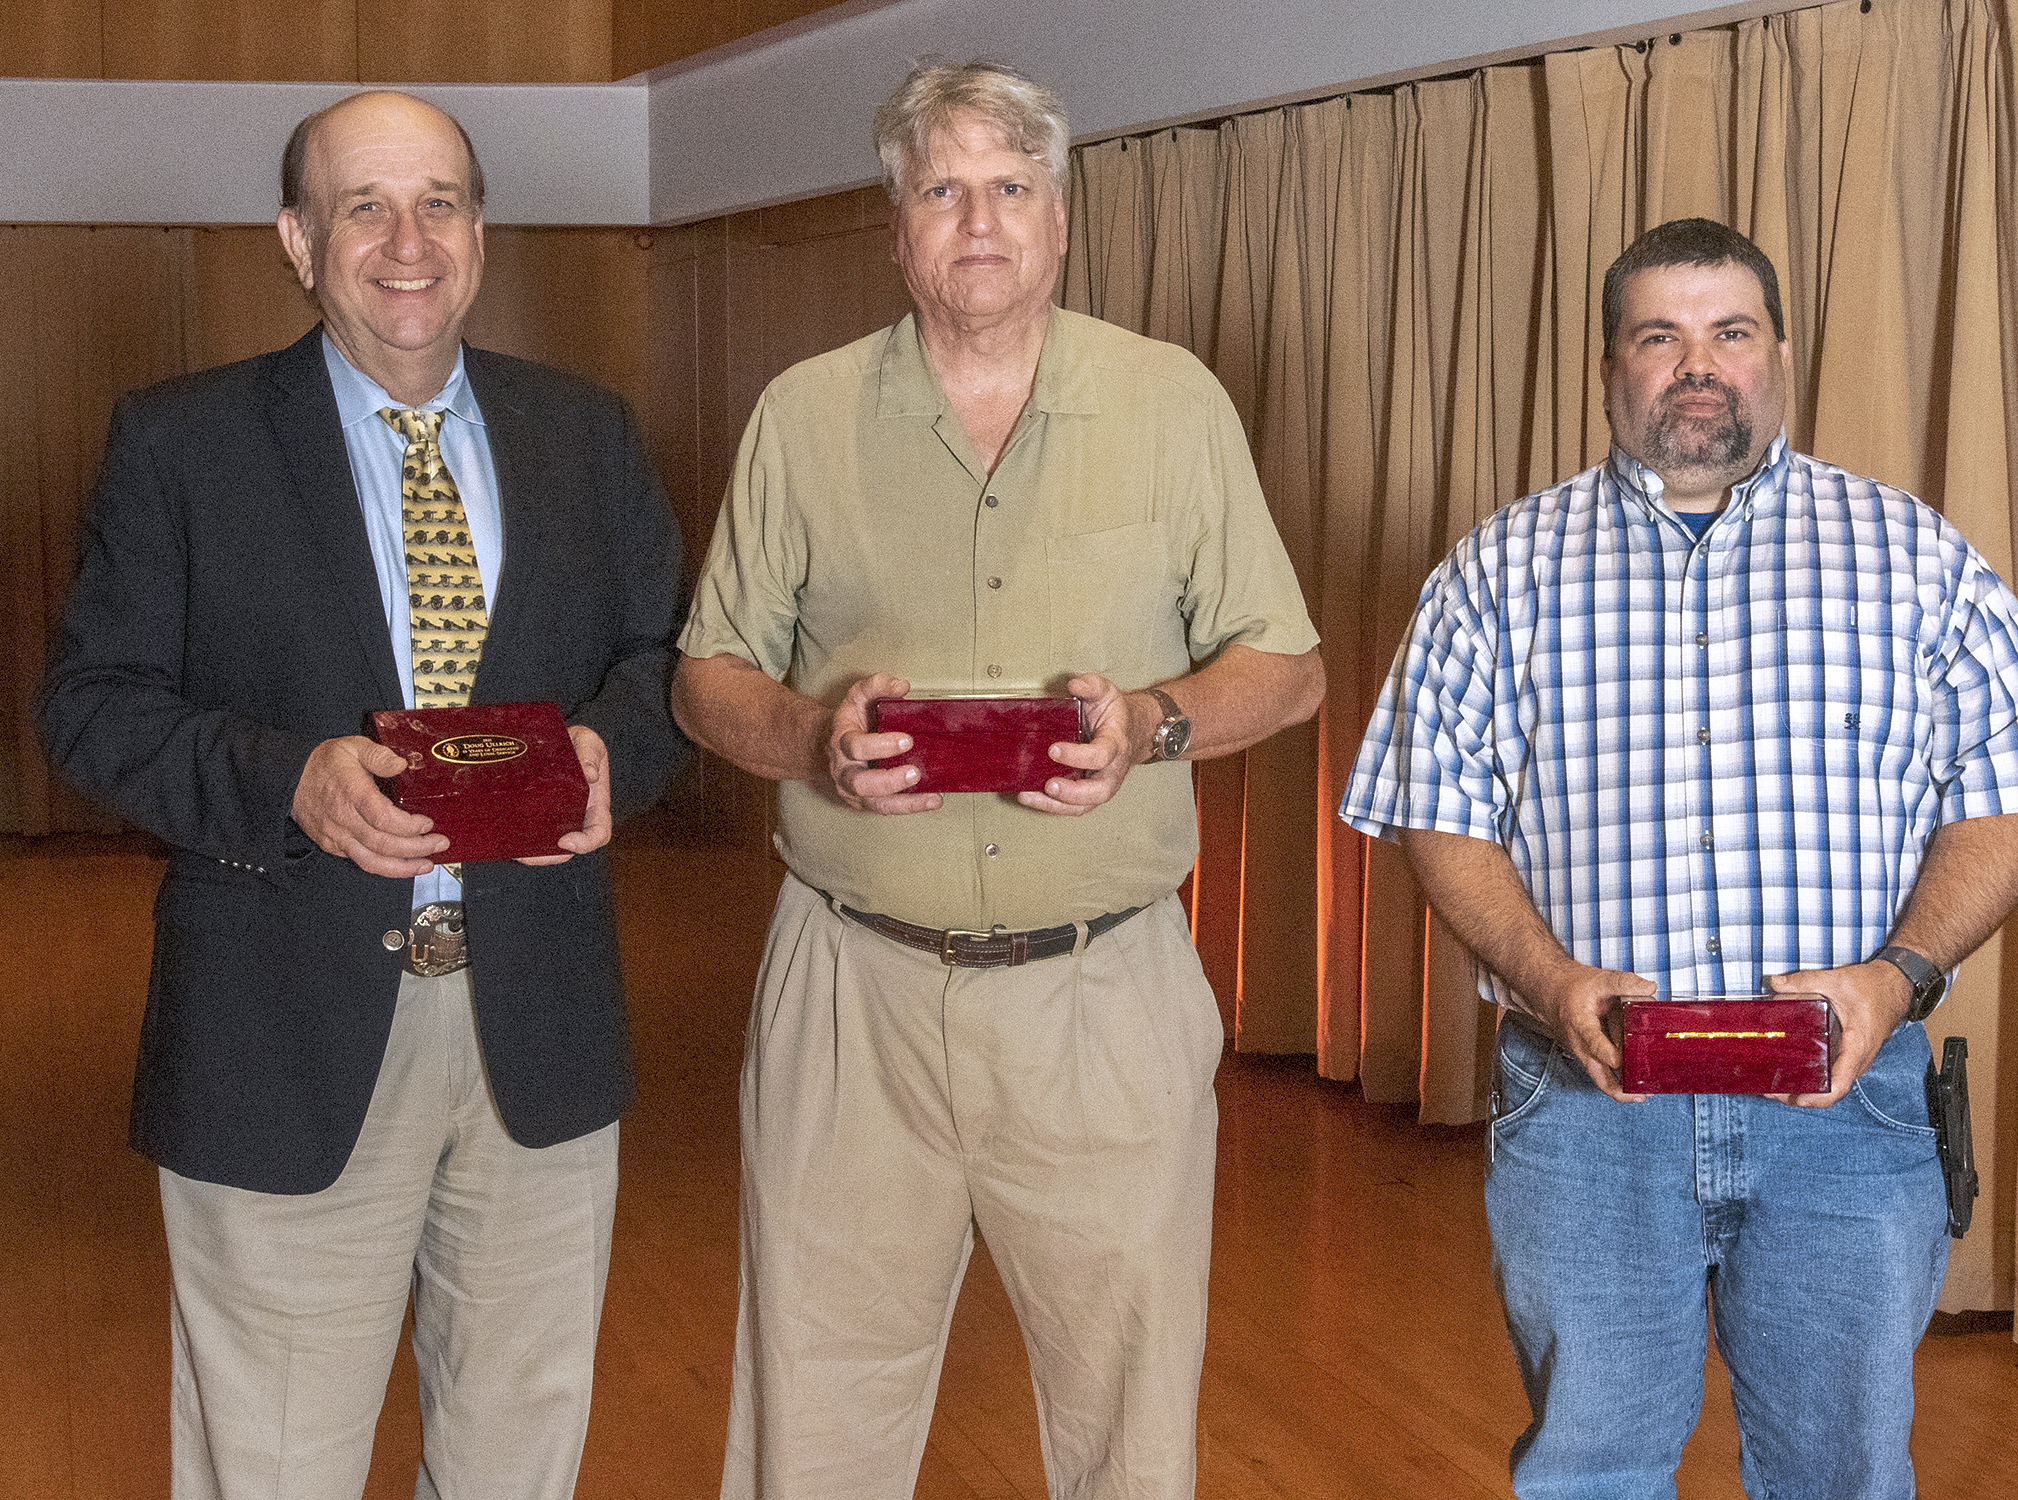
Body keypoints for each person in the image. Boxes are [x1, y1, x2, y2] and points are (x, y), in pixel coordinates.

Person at [1341, 217, 2018, 1500]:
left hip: (1845, 1116)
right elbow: (1436, 808)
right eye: (1661, 336)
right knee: (1589, 1468)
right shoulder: (1497, 573)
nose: (1699, 364)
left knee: (1841, 1474)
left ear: (1781, 357)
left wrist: (1899, 974)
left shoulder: (1913, 560)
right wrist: (1544, 974)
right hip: (1588, 1121)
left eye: (1730, 332)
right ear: (1609, 369)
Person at [672, 59, 1323, 1500]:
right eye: (942, 189)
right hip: (851, 994)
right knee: (814, 1424)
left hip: (1106, 997)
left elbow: (1287, 668)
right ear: (896, 226)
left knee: (1130, 1429)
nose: (978, 221)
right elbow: (706, 678)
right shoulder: (801, 414)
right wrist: (811, 738)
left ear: (1061, 219)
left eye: (1009, 187)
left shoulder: (1174, 405)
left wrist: (1154, 722)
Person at [38, 90, 686, 1499]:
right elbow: (89, 708)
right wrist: (291, 781)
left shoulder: (584, 433)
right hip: (280, 1034)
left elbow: (666, 663)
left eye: (440, 202)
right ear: (297, 237)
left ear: (480, 232)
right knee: (272, 1466)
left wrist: (609, 757)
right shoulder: (181, 443)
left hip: (541, 1032)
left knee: (519, 1453)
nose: (408, 240)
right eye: (364, 207)